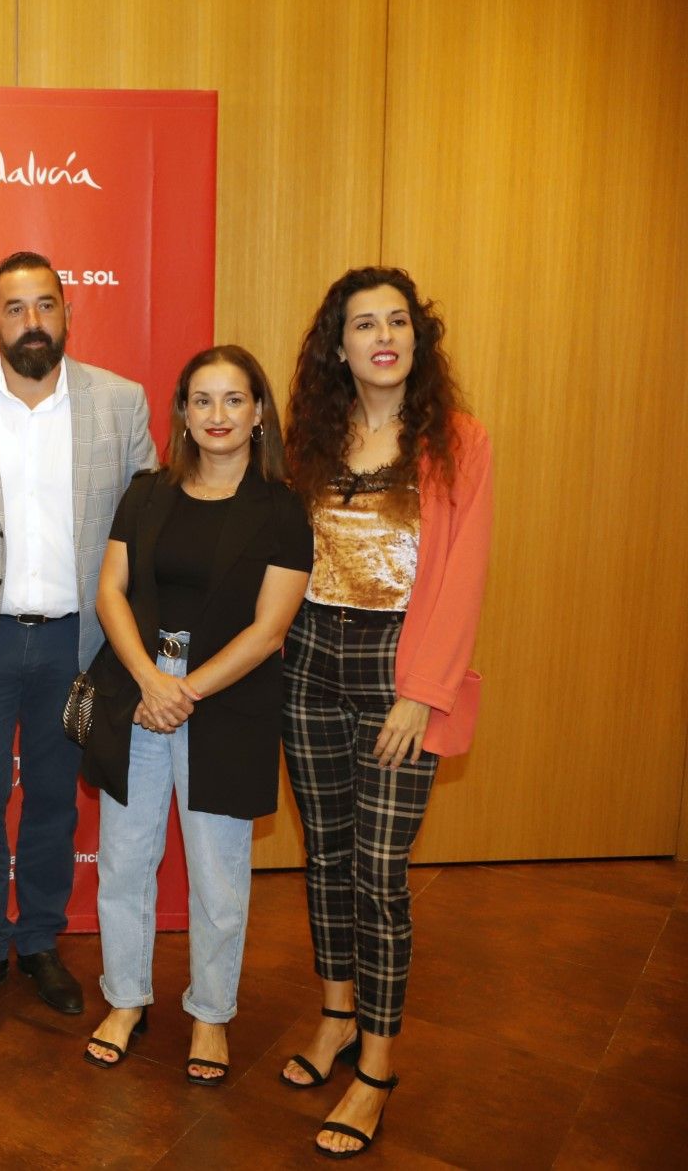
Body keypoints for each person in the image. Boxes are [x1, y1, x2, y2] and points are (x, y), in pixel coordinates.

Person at [277, 267, 492, 1158]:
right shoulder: (310, 438)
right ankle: (334, 1018)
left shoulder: (459, 442)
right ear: (340, 345)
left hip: (400, 668)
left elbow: (466, 572)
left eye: (396, 320)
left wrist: (422, 691)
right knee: (324, 856)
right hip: (308, 661)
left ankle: (375, 1065)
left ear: (417, 336)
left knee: (378, 874)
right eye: (363, 324)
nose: (382, 336)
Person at [0, 251, 157, 1015]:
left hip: (77, 648)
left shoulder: (120, 404)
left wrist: (136, 646)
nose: (31, 323)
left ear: (67, 313)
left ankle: (42, 940)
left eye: (45, 306)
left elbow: (146, 530)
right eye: (14, 309)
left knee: (55, 801)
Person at [78, 347, 311, 1083]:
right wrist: (152, 680)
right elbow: (111, 591)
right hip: (140, 691)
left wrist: (186, 691)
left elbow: (269, 630)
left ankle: (211, 1013)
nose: (217, 416)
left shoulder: (281, 508)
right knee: (123, 860)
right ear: (181, 412)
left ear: (258, 413)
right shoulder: (147, 492)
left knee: (218, 874)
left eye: (233, 400)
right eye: (201, 400)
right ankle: (125, 998)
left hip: (225, 701)